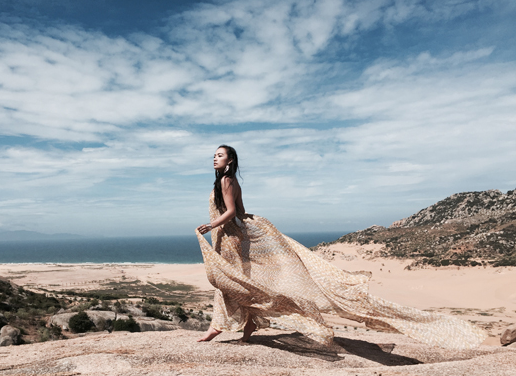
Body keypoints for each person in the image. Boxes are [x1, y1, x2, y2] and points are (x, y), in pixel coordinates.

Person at [195, 145, 487, 349]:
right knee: (241, 282)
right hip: (228, 237)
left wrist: (211, 225)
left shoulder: (227, 181)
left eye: (219, 155)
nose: (214, 159)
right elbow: (238, 211)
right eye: (214, 155)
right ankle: (247, 329)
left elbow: (232, 211)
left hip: (231, 237)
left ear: (230, 161)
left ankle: (217, 327)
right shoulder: (225, 181)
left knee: (230, 282)